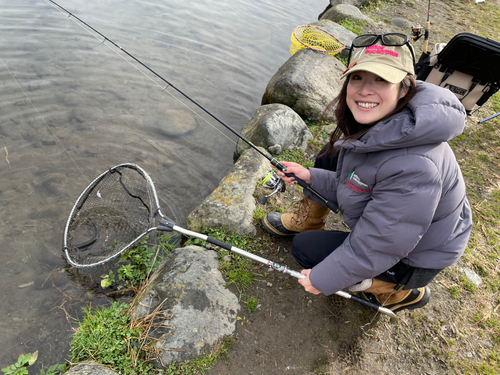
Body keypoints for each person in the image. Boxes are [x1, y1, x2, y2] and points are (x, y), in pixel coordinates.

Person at [262, 33, 472, 313]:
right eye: (357, 77)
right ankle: (309, 220)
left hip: (415, 256)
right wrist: (312, 177)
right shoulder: (385, 126)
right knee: (330, 153)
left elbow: (381, 243)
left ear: (405, 88)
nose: (364, 90)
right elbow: (360, 183)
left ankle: (399, 291)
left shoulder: (415, 166)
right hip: (404, 231)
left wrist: (325, 278)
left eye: (381, 80)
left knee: (305, 250)